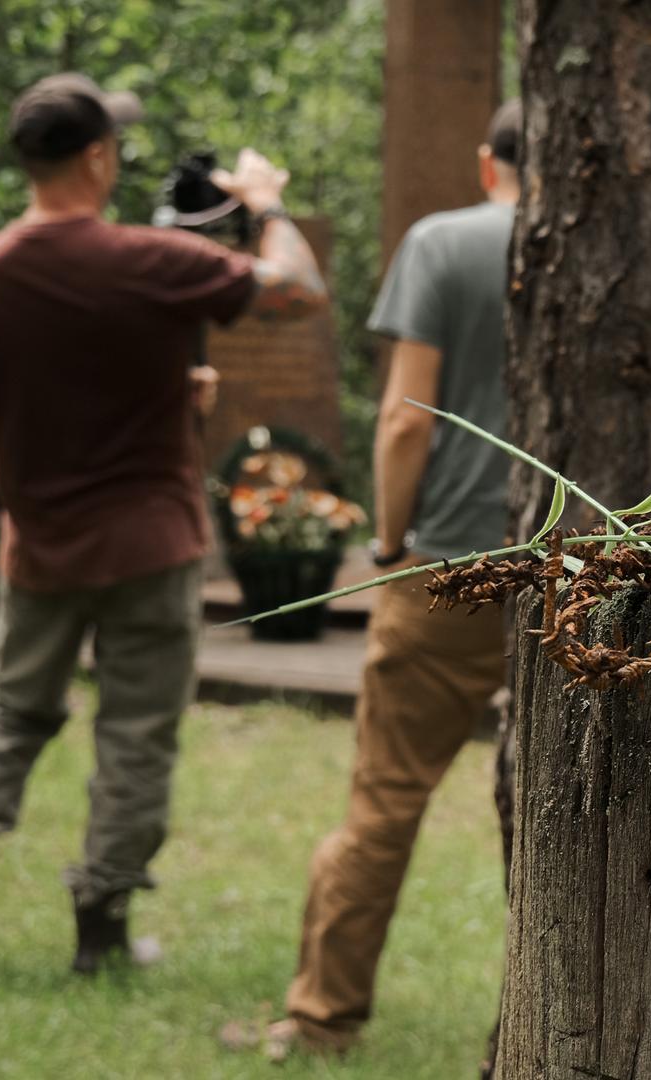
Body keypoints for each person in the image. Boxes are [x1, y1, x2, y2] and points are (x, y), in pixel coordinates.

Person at [0, 73, 329, 972]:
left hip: (40, 542)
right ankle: (102, 931)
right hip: (149, 541)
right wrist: (267, 204)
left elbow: (27, 391)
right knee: (134, 733)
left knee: (12, 711)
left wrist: (168, 391)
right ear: (96, 156)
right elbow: (297, 290)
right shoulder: (147, 261)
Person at [229, 101, 523, 1061]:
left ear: (490, 165)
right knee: (566, 799)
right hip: (582, 575)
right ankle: (545, 1017)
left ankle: (321, 1020)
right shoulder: (615, 250)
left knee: (385, 801)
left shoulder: (443, 243)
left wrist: (391, 543)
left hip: (448, 567)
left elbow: (407, 419)